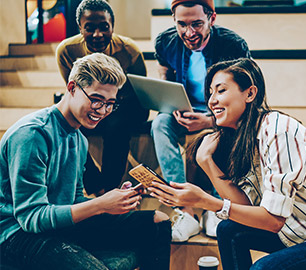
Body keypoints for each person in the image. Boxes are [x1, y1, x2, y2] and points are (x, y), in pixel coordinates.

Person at [148, 58, 306, 270]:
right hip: (304, 232)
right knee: (228, 230)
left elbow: (272, 221)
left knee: (264, 268)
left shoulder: (277, 130)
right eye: (210, 92)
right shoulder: (239, 139)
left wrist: (204, 201)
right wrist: (206, 162)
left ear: (250, 94)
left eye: (221, 90)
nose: (212, 101)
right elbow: (244, 206)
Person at [0, 53, 171, 270]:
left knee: (158, 221)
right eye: (96, 100)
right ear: (72, 87)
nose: (102, 111)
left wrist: (113, 201)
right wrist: (99, 204)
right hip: (15, 235)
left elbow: (72, 199)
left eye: (110, 104)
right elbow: (31, 217)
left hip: (55, 226)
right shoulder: (33, 135)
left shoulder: (79, 139)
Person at [152, 0, 251, 242]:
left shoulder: (233, 45)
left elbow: (244, 102)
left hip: (222, 112)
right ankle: (184, 210)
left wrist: (209, 121)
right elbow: (163, 70)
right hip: (184, 108)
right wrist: (169, 102)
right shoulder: (166, 41)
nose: (189, 33)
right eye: (182, 25)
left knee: (229, 128)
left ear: (212, 19)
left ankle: (217, 206)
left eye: (197, 24)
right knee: (159, 124)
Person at [56, 0, 149, 196]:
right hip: (90, 102)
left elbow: (139, 94)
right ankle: (98, 188)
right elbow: (75, 92)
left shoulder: (129, 50)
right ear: (80, 28)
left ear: (112, 27)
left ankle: (110, 190)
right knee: (65, 124)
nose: (97, 34)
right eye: (89, 28)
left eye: (104, 27)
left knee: (117, 126)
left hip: (125, 104)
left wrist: (108, 107)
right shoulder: (66, 51)